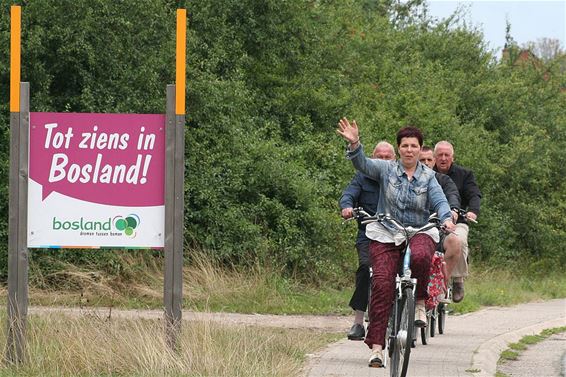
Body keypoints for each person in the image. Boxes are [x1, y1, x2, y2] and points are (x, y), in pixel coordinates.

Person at [336, 118, 455, 368]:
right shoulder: (386, 169)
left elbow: (440, 201)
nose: (409, 150)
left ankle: (420, 302)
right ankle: (377, 348)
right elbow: (362, 164)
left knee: (423, 255)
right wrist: (355, 143)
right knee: (381, 283)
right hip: (386, 231)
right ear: (398, 148)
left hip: (419, 230)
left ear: (420, 148)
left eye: (413, 145)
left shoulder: (429, 177)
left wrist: (446, 219)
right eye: (404, 145)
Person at [339, 141, 396, 341]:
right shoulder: (362, 177)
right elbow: (348, 195)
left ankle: (404, 315)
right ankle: (358, 321)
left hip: (395, 235)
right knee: (365, 268)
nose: (383, 160)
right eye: (379, 156)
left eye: (387, 157)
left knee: (403, 271)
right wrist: (346, 207)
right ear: (371, 158)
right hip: (368, 233)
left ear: (394, 159)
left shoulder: (400, 178)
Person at [434, 141, 481, 303]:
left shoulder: (465, 174)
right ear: (434, 157)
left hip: (458, 220)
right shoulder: (425, 173)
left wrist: (472, 211)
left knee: (458, 239)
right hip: (431, 220)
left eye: (447, 155)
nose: (443, 158)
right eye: (440, 155)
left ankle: (458, 279)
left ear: (452, 157)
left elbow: (474, 195)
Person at [419, 146, 462, 282]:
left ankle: (441, 285)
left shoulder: (443, 180)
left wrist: (453, 210)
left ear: (434, 161)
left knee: (455, 242)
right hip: (409, 228)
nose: (425, 163)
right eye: (422, 160)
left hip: (436, 227)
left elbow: (452, 194)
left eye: (429, 159)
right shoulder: (405, 178)